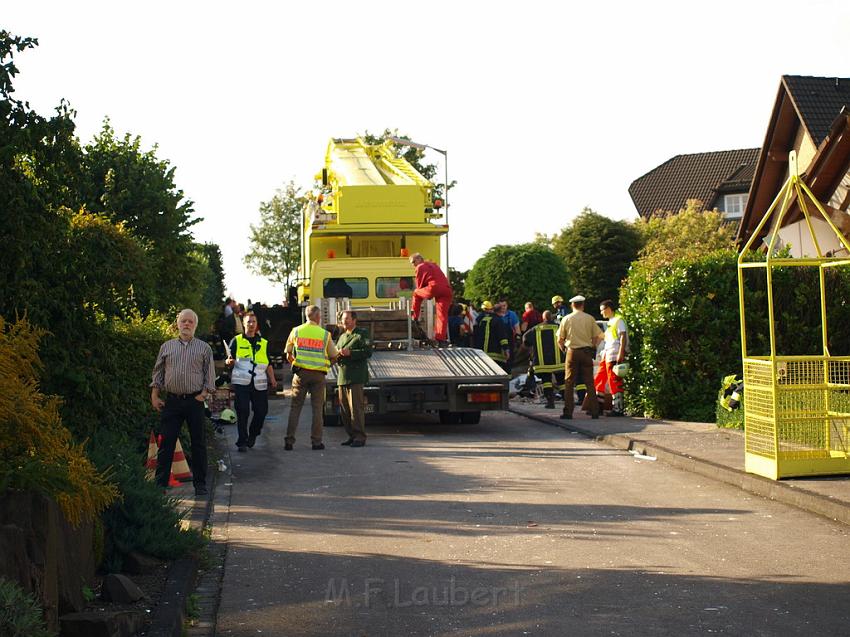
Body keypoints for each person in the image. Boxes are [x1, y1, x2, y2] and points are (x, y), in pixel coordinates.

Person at [150, 309, 216, 497]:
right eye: (183, 321)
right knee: (166, 442)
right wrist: (155, 395)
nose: (186, 324)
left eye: (190, 322)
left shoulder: (204, 348)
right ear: (177, 324)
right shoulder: (167, 347)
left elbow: (209, 376)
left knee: (198, 443)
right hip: (172, 401)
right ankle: (159, 484)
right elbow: (158, 373)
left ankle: (200, 485)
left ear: (195, 325)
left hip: (194, 401)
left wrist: (202, 395)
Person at [284, 305, 338, 450]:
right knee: (317, 409)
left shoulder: (296, 331)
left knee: (295, 408)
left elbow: (288, 353)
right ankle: (316, 442)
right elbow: (334, 356)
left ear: (306, 316)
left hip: (300, 374)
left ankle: (289, 441)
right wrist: (326, 366)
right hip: (318, 376)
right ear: (318, 317)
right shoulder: (325, 334)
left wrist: (295, 364)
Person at [226, 311, 278, 452]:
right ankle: (242, 441)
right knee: (242, 411)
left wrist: (272, 379)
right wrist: (229, 362)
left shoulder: (263, 342)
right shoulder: (236, 341)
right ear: (243, 324)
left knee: (261, 412)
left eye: (253, 322)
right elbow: (229, 359)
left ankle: (253, 434)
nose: (251, 324)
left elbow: (268, 363)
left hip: (259, 383)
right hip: (242, 383)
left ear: (257, 325)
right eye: (248, 322)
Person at [557, 295, 604, 420]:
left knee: (569, 382)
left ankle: (568, 412)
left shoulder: (566, 319)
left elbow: (560, 339)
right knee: (589, 382)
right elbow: (599, 336)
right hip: (586, 352)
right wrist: (592, 346)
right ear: (583, 305)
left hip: (572, 352)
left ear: (572, 305)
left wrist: (564, 350)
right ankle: (595, 411)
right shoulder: (590, 318)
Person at [335, 310, 372, 447]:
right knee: (345, 410)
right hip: (343, 376)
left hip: (356, 376)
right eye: (343, 319)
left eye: (347, 319)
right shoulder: (342, 336)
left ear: (354, 320)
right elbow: (337, 350)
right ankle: (351, 435)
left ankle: (360, 437)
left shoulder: (361, 334)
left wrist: (351, 353)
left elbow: (368, 352)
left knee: (356, 408)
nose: (344, 321)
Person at [522, 310, 564, 408]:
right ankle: (567, 401)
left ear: (543, 318)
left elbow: (525, 339)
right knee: (562, 382)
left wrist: (530, 345)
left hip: (543, 362)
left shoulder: (536, 329)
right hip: (559, 362)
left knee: (547, 382)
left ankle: (550, 403)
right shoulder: (559, 327)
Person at [409, 252, 453, 344]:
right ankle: (440, 338)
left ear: (419, 259)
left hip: (434, 288)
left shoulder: (419, 267)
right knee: (442, 315)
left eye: (413, 262)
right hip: (447, 290)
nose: (413, 265)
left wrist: (427, 294)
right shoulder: (434, 265)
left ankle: (414, 318)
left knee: (416, 293)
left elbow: (419, 286)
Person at [595, 299, 629, 417]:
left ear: (609, 309)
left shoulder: (618, 320)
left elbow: (622, 337)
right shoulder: (611, 321)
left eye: (602, 310)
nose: (601, 313)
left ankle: (618, 409)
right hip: (607, 355)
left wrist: (621, 353)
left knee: (614, 381)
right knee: (600, 379)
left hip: (614, 354)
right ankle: (598, 406)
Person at [474, 301, 511, 372]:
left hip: (482, 353)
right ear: (500, 312)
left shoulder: (482, 319)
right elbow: (502, 336)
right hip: (495, 353)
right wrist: (506, 349)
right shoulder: (498, 321)